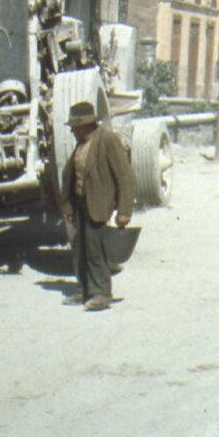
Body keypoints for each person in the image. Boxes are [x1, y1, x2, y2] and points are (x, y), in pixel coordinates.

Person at [60, 101, 136, 311]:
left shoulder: (108, 140)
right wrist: (68, 209)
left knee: (95, 250)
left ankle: (101, 293)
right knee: (80, 249)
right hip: (80, 205)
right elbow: (72, 175)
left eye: (75, 126)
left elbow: (125, 177)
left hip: (99, 205)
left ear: (86, 125)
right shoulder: (82, 143)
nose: (72, 130)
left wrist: (124, 211)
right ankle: (84, 290)